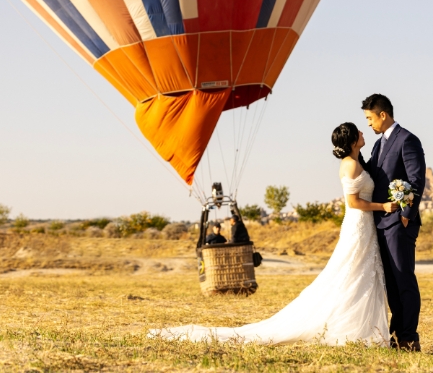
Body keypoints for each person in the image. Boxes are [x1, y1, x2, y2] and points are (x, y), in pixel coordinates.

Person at [152, 121, 397, 346]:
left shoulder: (357, 162)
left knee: (361, 272)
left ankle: (363, 328)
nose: (364, 133)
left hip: (363, 225)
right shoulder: (351, 165)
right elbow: (353, 202)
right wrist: (384, 206)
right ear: (353, 140)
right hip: (358, 222)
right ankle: (353, 328)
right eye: (359, 132)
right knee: (352, 272)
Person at [363, 93, 426, 351]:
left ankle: (409, 338)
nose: (368, 124)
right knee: (391, 284)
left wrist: (405, 215)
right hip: (380, 224)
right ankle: (397, 336)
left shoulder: (408, 140)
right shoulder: (378, 144)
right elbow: (371, 173)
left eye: (369, 118)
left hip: (399, 224)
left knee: (404, 280)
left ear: (383, 114)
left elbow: (416, 179)